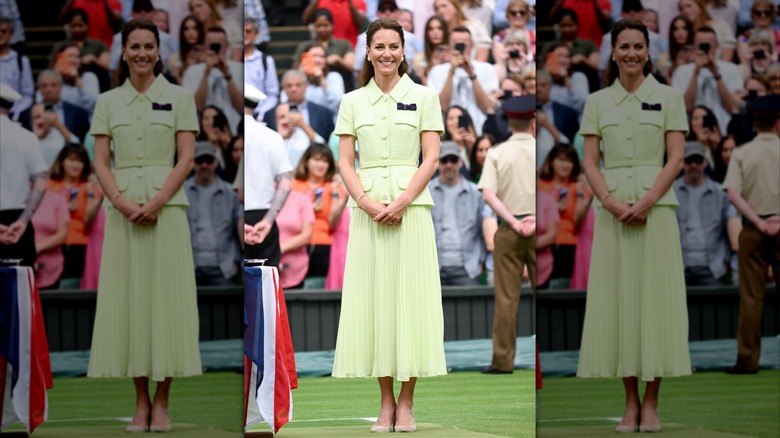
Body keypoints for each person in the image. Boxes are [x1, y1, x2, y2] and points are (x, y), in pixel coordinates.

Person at [86, 18, 202, 433]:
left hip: (166, 212)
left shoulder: (179, 97)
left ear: (158, 51)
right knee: (130, 303)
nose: (141, 53)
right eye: (134, 46)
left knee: (166, 302)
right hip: (122, 213)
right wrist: (119, 201)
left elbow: (186, 157)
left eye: (148, 46)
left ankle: (163, 402)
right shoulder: (107, 102)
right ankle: (140, 402)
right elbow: (101, 160)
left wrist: (155, 201)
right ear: (123, 51)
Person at [331, 18, 447, 433]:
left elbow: (431, 158)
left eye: (393, 46)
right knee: (375, 303)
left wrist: (400, 202)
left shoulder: (425, 96)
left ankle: (407, 402)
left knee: (411, 302)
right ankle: (385, 402)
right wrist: (364, 202)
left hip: (410, 212)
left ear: (403, 51)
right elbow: (345, 161)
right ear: (367, 51)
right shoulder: (351, 102)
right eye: (378, 46)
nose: (386, 53)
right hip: (367, 214)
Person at [576, 19, 692, 433]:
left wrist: (645, 202)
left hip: (656, 211)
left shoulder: (669, 97)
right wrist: (609, 202)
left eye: (637, 46)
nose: (631, 53)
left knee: (656, 302)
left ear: (647, 51)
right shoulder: (597, 102)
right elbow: (590, 160)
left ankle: (652, 402)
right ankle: (630, 401)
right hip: (612, 213)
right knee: (619, 304)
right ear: (612, 52)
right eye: (623, 46)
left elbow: (675, 158)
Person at [478, 94, 536, 375]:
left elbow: (488, 194)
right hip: (538, 228)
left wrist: (514, 222)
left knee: (506, 299)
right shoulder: (540, 148)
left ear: (510, 122)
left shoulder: (497, 152)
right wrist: (534, 219)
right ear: (533, 120)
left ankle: (502, 361)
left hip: (509, 228)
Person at [722, 94, 780, 375]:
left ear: (755, 123)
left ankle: (747, 360)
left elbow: (733, 194)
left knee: (750, 299)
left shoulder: (741, 153)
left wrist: (758, 222)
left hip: (753, 228)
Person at [243, 83, 293, 267]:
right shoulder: (272, 137)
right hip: (263, 217)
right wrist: (268, 220)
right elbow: (286, 183)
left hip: (234, 216)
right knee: (267, 281)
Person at [429, 141, 491, 286]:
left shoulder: (475, 193)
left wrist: (481, 260)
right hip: (433, 267)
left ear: (461, 162)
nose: (449, 165)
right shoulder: (427, 192)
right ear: (438, 163)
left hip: (468, 268)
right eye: (444, 160)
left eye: (453, 160)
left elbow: (483, 230)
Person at [672, 141, 734, 286]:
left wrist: (725, 260)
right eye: (689, 160)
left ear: (705, 162)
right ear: (683, 163)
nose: (694, 165)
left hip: (713, 269)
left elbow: (729, 229)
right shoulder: (671, 192)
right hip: (678, 267)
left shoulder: (720, 193)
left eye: (698, 160)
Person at [0, 84, 48, 267]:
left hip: (18, 221)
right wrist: (23, 220)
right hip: (19, 223)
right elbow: (41, 182)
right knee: (21, 284)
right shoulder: (27, 137)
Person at [184, 141, 242, 286]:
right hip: (189, 267)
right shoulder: (182, 193)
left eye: (208, 160)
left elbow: (239, 230)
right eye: (200, 160)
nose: (204, 165)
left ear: (215, 162)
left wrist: (238, 260)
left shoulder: (230, 193)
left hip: (224, 269)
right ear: (193, 163)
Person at [427, 26, 499, 136]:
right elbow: (441, 107)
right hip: (448, 133)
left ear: (471, 46)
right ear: (449, 46)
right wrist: (451, 71)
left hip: (480, 130)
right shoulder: (437, 71)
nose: (460, 47)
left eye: (464, 43)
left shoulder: (486, 69)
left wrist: (472, 74)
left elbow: (488, 107)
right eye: (456, 43)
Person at [46, 144, 103, 284]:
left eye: (80, 161)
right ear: (62, 161)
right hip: (51, 246)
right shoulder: (50, 186)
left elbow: (88, 222)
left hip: (78, 246)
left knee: (71, 289)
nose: (75, 165)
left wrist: (91, 194)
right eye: (71, 160)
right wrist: (63, 208)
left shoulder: (89, 188)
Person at [290, 144, 348, 281]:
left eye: (325, 161)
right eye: (316, 160)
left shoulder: (333, 187)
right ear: (306, 161)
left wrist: (336, 194)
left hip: (324, 246)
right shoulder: (295, 185)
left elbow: (333, 222)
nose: (320, 165)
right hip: (296, 245)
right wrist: (308, 208)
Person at [671, 26, 742, 135]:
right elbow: (686, 106)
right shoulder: (681, 71)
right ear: (694, 46)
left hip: (725, 130)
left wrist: (716, 75)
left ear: (716, 46)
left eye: (708, 44)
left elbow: (732, 107)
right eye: (700, 43)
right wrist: (696, 72)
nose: (704, 47)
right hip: (693, 132)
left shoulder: (732, 69)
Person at [19, 70, 91, 143]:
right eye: (44, 85)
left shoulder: (78, 113)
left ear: (61, 86)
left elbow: (83, 143)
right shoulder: (26, 114)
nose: (49, 89)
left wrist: (57, 124)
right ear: (38, 87)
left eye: (53, 85)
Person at [244, 17, 278, 120]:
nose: (244, 34)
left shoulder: (266, 61)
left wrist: (261, 115)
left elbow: (272, 94)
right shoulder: (229, 59)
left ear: (256, 34)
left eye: (248, 31)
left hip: (257, 115)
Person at [0, 16, 33, 120]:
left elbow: (28, 94)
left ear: (11, 34)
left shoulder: (21, 61)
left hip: (13, 115)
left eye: (3, 31)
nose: (0, 34)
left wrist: (16, 114)